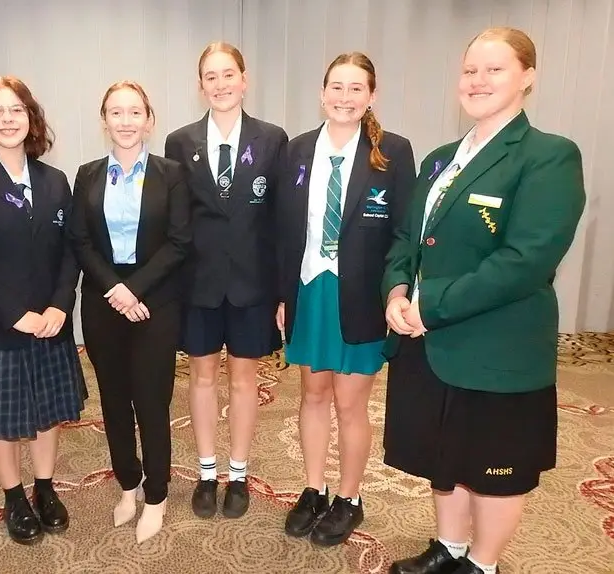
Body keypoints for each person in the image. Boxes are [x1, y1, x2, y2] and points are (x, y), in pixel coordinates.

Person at [381, 27, 585, 574]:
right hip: (429, 340)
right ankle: (448, 549)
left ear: (528, 78)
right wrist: (397, 289)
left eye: (494, 69)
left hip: (498, 347)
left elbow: (526, 259)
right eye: (470, 70)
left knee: (496, 463)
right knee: (444, 454)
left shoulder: (548, 156)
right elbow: (408, 237)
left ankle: (483, 563)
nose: (478, 80)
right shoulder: (442, 158)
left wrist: (431, 304)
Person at [276, 52, 416, 546]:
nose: (345, 97)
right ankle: (313, 489)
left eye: (356, 88)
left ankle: (350, 497)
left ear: (372, 96)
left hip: (362, 298)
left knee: (349, 404)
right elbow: (282, 230)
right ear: (322, 92)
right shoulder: (296, 151)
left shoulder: (393, 152)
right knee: (312, 394)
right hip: (310, 289)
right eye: (336, 87)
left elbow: (405, 234)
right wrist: (281, 295)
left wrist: (396, 292)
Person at [0, 76, 86, 546]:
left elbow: (72, 251)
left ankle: (45, 487)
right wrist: (13, 313)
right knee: (1, 418)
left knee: (48, 411)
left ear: (31, 118)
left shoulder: (54, 180)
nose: (8, 119)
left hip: (51, 321)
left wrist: (59, 305)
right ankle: (13, 495)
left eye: (17, 110)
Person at [164, 41, 288, 519]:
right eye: (210, 77)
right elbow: (175, 222)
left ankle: (238, 473)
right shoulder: (180, 141)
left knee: (242, 379)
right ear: (201, 86)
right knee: (200, 378)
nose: (220, 84)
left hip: (252, 285)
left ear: (244, 79)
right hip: (197, 285)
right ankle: (206, 470)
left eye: (227, 74)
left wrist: (281, 291)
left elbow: (279, 220)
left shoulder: (273, 138)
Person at [68, 80, 191, 543]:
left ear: (149, 120)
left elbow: (180, 241)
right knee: (114, 403)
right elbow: (79, 240)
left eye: (134, 112)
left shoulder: (171, 174)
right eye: (116, 113)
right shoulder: (87, 174)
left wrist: (134, 289)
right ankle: (128, 484)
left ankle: (157, 495)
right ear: (104, 121)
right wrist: (116, 289)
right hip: (103, 302)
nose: (125, 121)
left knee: (152, 404)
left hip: (154, 303)